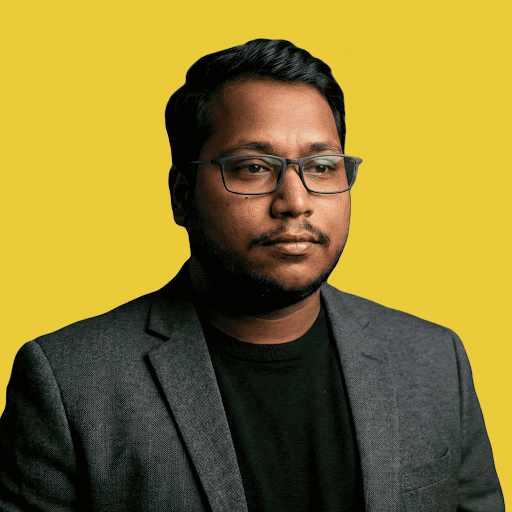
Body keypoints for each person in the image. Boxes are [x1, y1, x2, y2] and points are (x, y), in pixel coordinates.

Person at [0, 39, 504, 511]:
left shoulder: (435, 360)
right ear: (181, 195)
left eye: (322, 166)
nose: (296, 202)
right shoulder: (68, 384)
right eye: (253, 168)